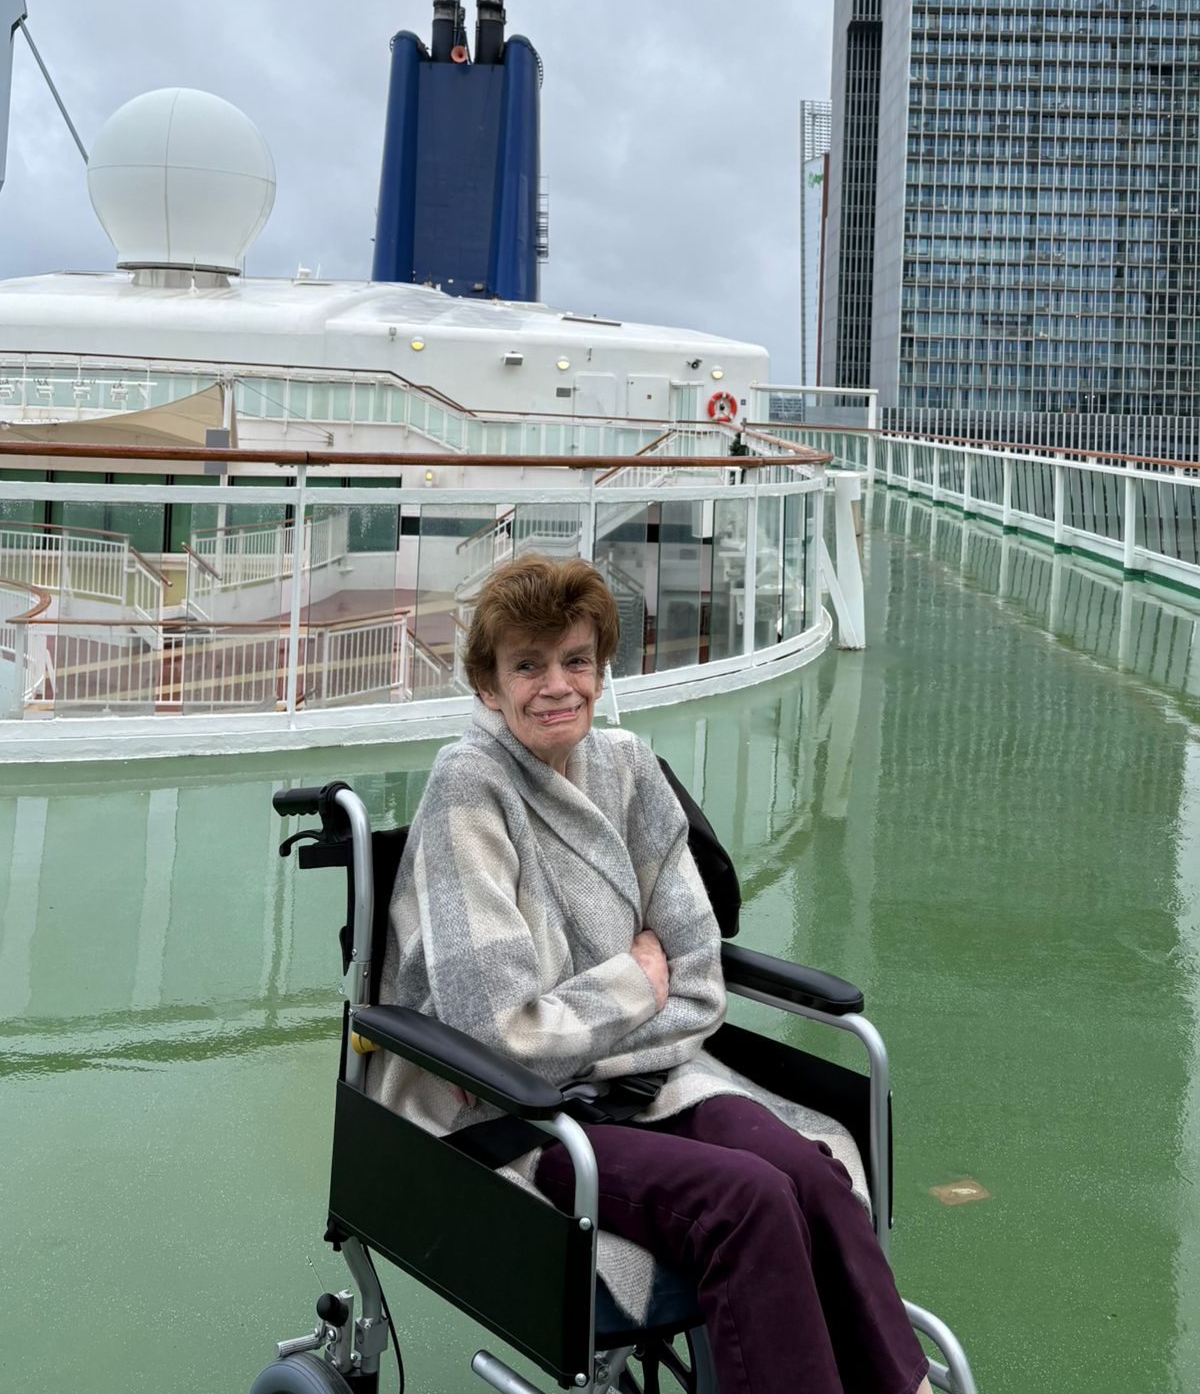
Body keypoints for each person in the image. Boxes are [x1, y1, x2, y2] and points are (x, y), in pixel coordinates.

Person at [376, 553, 931, 1394]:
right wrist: (639, 981)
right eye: (527, 665)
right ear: (488, 687)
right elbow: (505, 1036)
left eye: (575, 660)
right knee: (746, 1199)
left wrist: (601, 1027)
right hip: (511, 1112)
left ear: (601, 668)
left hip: (644, 1083)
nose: (557, 686)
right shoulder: (468, 789)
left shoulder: (628, 769)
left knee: (810, 1173)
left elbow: (699, 975)